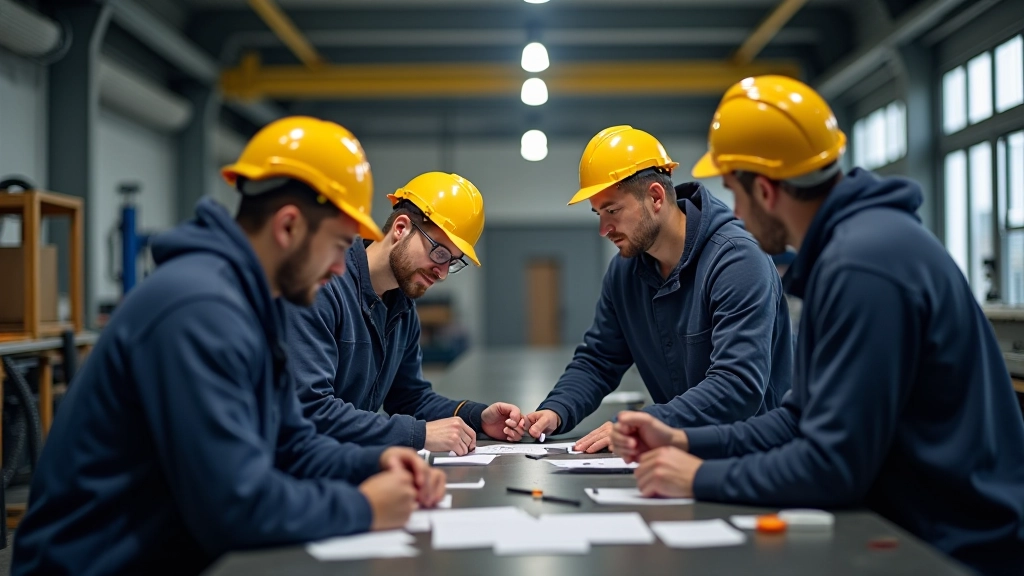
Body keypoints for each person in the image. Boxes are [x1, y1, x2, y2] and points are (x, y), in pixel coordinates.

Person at [611, 76, 1024, 576]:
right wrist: (685, 441)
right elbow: (799, 420)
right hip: (914, 526)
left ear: (764, 189)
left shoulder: (862, 266)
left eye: (734, 192)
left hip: (952, 547)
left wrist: (698, 478)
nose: (733, 211)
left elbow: (833, 469)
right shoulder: (854, 249)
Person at [12, 117, 446, 576]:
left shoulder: (250, 304)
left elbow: (290, 442)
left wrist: (372, 460)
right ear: (288, 227)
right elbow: (234, 509)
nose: (342, 268)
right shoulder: (199, 309)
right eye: (339, 245)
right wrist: (363, 508)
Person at [524, 125, 793, 453]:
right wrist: (556, 410)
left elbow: (737, 385)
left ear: (655, 197)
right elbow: (599, 359)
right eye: (598, 214)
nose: (603, 228)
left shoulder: (736, 260)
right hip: (679, 453)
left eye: (612, 210)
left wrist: (643, 423)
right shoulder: (624, 272)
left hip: (756, 457)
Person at [287, 172, 526, 455]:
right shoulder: (323, 286)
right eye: (439, 253)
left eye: (453, 262)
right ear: (401, 228)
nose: (442, 273)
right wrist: (417, 434)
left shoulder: (402, 307)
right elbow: (310, 409)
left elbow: (410, 398)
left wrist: (477, 417)